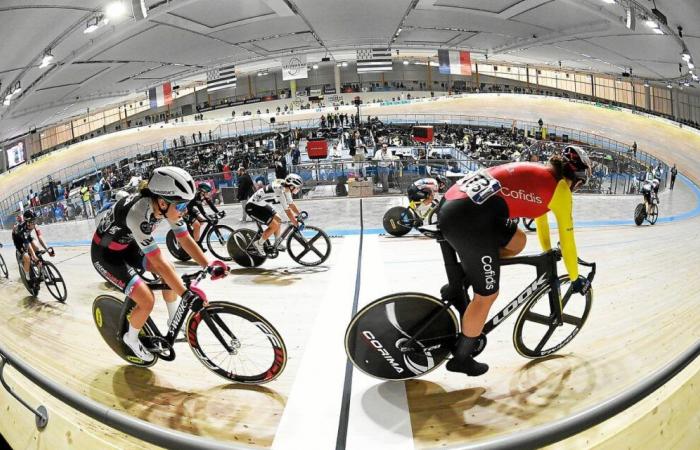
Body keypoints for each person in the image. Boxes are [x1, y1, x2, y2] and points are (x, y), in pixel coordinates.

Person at [438, 145, 592, 376]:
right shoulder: (561, 191)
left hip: (457, 203)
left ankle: (466, 276)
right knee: (487, 295)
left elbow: (540, 220)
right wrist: (574, 278)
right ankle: (461, 358)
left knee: (517, 241)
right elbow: (568, 240)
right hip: (469, 218)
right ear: (576, 181)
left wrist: (548, 251)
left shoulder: (541, 173)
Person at [91, 167, 228, 362]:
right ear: (162, 202)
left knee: (170, 271)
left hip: (128, 246)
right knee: (146, 300)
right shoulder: (137, 213)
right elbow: (158, 262)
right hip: (106, 256)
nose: (185, 210)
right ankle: (130, 339)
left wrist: (208, 264)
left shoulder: (164, 206)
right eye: (181, 206)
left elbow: (185, 239)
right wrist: (186, 295)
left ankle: (173, 319)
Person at [245, 174, 304, 255]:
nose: (298, 189)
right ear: (291, 186)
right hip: (252, 206)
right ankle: (259, 243)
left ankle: (277, 243)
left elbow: (291, 204)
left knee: (278, 219)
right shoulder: (280, 191)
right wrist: (296, 223)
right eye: (297, 187)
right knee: (274, 225)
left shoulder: (286, 187)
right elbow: (287, 211)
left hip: (261, 204)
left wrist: (299, 214)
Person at [12, 210, 54, 282]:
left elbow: (40, 237)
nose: (34, 222)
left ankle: (40, 270)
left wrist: (47, 249)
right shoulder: (22, 228)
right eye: (33, 221)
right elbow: (27, 244)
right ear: (27, 222)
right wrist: (34, 257)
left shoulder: (34, 224)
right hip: (18, 239)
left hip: (27, 236)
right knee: (27, 258)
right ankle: (27, 275)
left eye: (35, 220)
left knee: (36, 248)